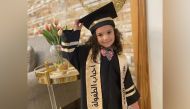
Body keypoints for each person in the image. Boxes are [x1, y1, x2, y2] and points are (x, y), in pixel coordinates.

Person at [60, 2, 140, 109]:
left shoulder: (120, 58)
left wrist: (135, 105)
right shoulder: (85, 55)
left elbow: (127, 83)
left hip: (115, 104)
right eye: (100, 34)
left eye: (109, 32)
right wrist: (76, 32)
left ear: (115, 32)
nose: (106, 38)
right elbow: (68, 53)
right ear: (94, 37)